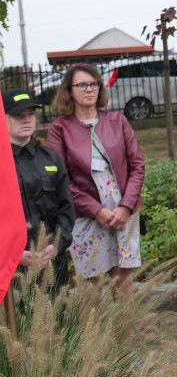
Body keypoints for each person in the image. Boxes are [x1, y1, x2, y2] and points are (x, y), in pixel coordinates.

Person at [48, 64, 145, 289]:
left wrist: (126, 207)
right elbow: (60, 178)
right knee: (92, 286)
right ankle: (96, 327)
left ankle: (126, 327)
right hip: (85, 214)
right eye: (81, 84)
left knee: (124, 283)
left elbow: (137, 166)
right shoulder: (59, 128)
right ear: (69, 90)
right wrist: (95, 210)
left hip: (123, 211)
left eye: (94, 84)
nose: (89, 89)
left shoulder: (118, 121)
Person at [4, 89, 74, 289]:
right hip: (12, 270)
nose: (26, 120)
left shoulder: (51, 158)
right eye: (18, 115)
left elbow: (66, 209)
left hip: (52, 264)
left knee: (58, 319)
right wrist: (12, 255)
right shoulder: (2, 162)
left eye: (30, 114)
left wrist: (57, 246)